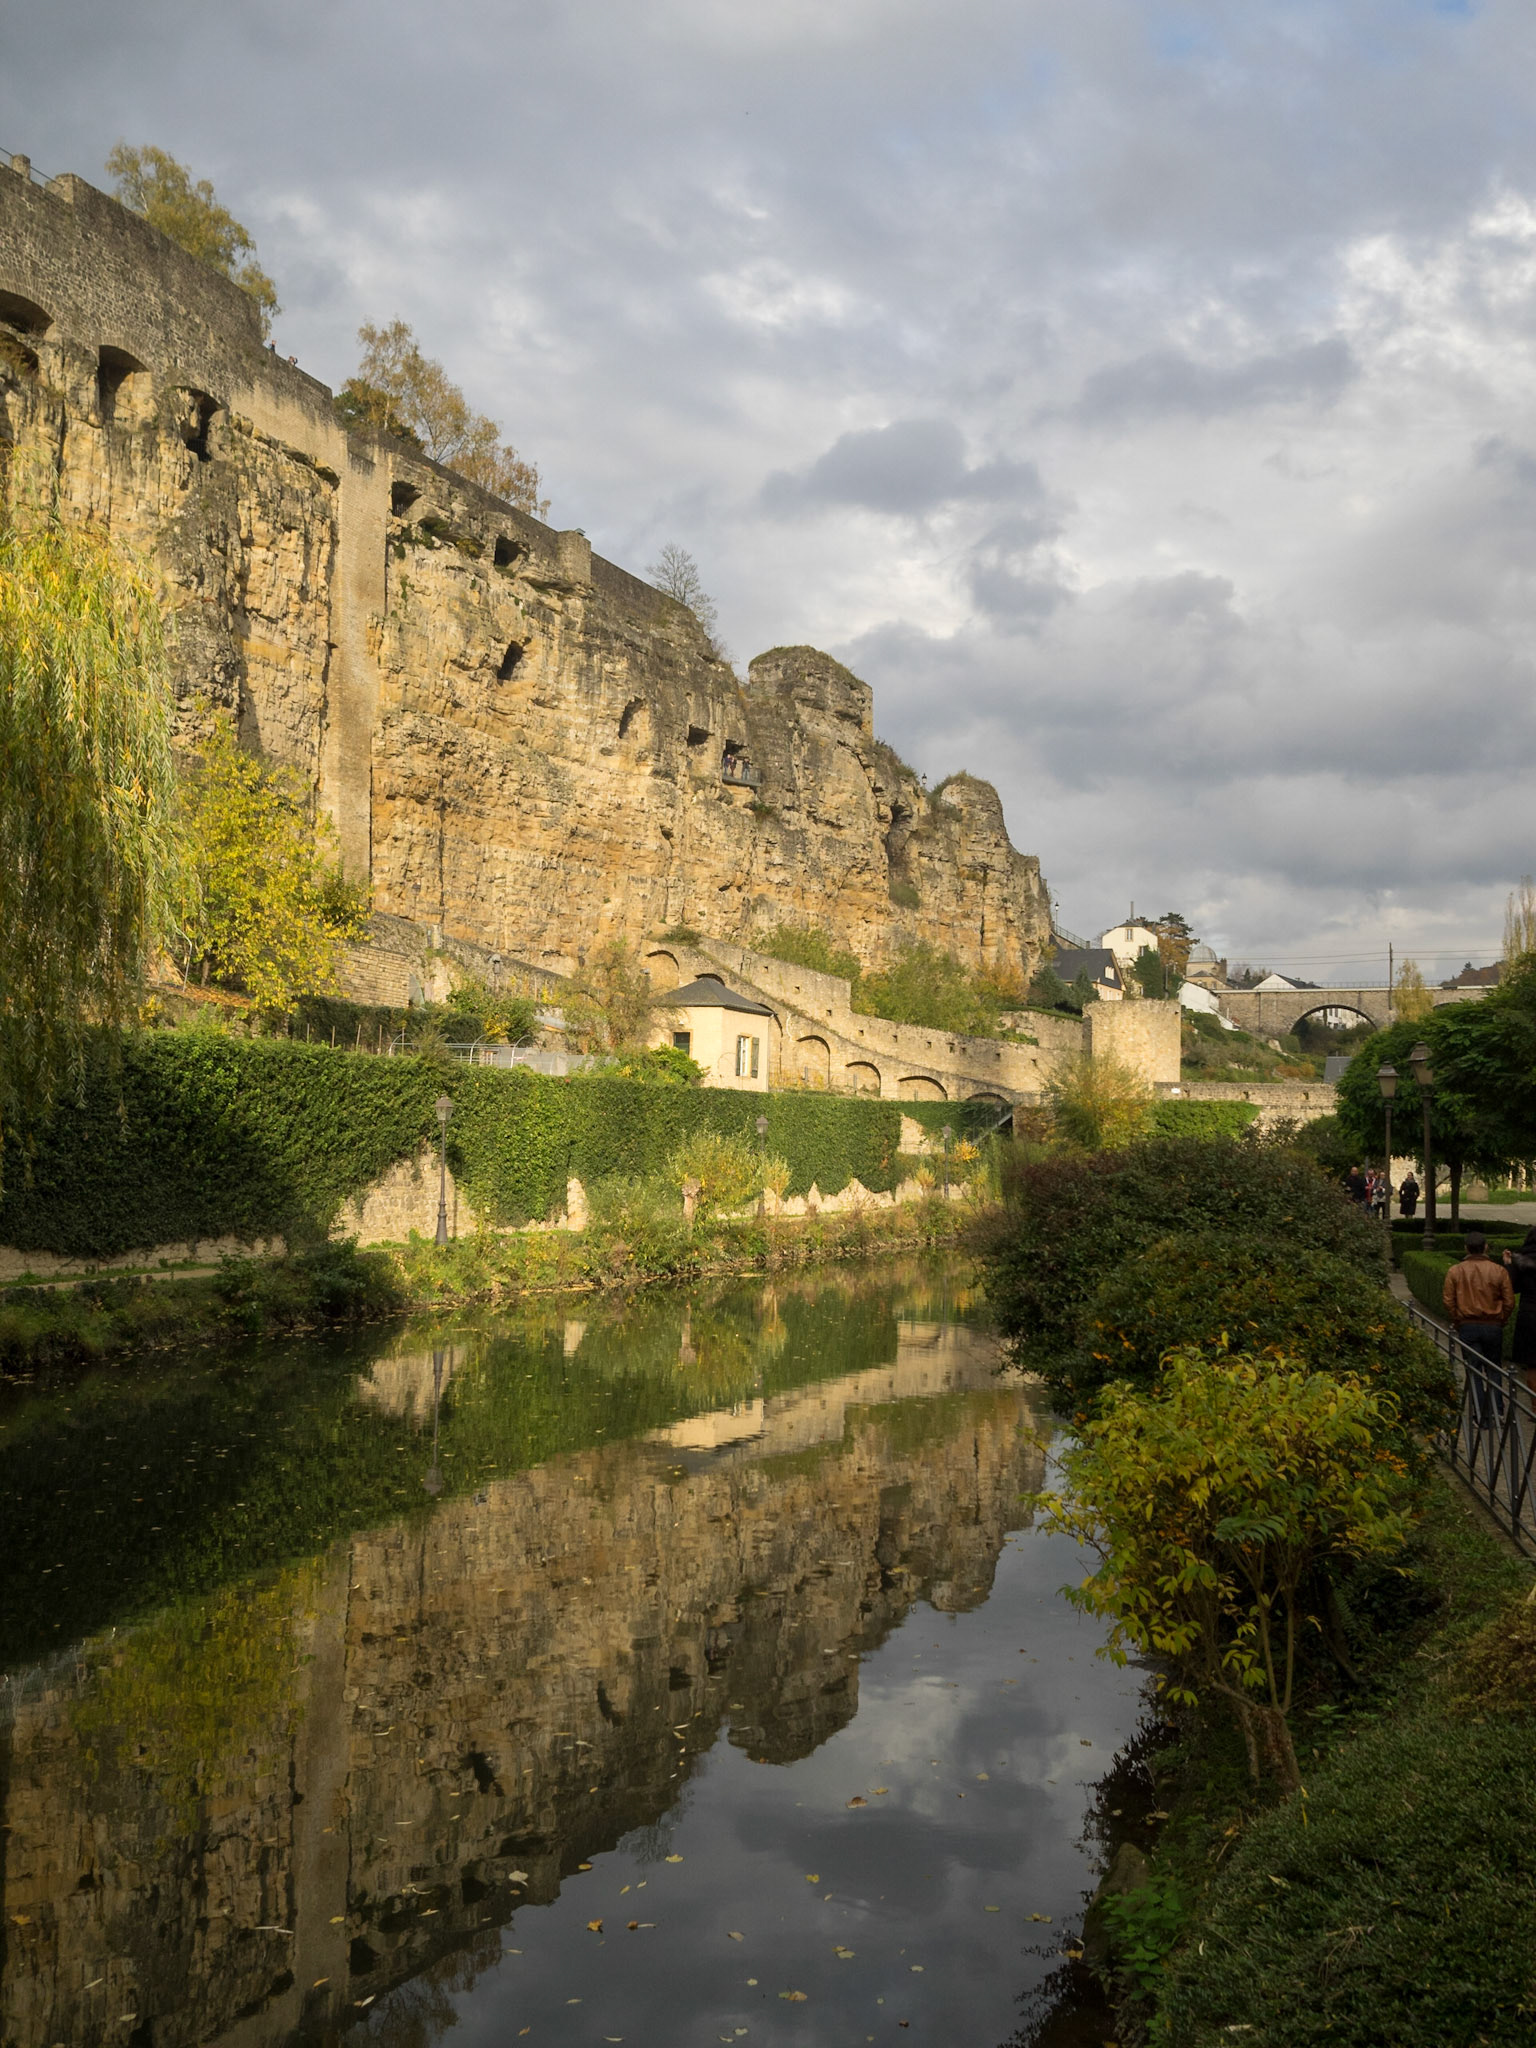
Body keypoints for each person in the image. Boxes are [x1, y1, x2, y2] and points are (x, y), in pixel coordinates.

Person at [1443, 1230, 1516, 1427]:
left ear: (1466, 1248)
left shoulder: (1455, 1271)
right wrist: (1501, 1318)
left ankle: (1480, 1414)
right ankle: (1497, 1412)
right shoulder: (1499, 1270)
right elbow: (1509, 1301)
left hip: (1467, 1325)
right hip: (1493, 1325)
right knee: (1493, 1368)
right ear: (1485, 1247)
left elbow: (1449, 1300)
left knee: (1473, 1369)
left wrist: (1458, 1319)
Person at [1503, 1226, 1536, 1398]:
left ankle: (1535, 1406)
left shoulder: (1521, 1262)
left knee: (1532, 1364)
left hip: (1529, 1315)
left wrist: (1508, 1265)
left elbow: (1511, 1288)